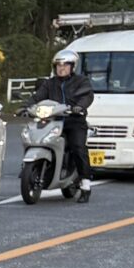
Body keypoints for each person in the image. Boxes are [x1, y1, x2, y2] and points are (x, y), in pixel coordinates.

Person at [34, 53, 98, 199]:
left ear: (72, 67)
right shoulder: (50, 83)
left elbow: (88, 95)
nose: (61, 68)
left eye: (65, 65)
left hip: (74, 120)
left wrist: (79, 106)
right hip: (53, 120)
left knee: (78, 147)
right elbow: (38, 96)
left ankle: (85, 184)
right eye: (58, 65)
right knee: (37, 138)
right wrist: (25, 106)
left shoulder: (81, 81)